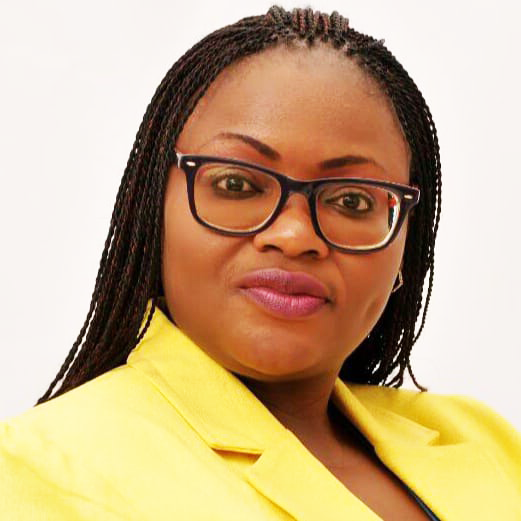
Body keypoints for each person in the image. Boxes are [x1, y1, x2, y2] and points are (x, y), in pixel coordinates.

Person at [1, 5, 520, 520]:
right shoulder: (37, 472)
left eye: (352, 200)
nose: (294, 237)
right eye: (236, 184)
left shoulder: (485, 441)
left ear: (406, 240)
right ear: (152, 209)